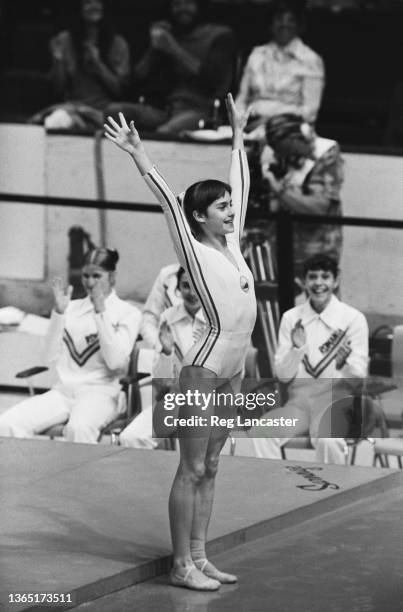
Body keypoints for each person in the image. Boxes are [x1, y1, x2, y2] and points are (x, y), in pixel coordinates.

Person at [104, 93, 255, 590]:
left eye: (230, 205)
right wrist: (138, 153)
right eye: (221, 206)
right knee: (191, 467)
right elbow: (168, 198)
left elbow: (243, 183)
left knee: (212, 463)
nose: (231, 210)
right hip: (204, 367)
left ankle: (199, 555)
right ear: (198, 218)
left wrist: (237, 134)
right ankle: (178, 565)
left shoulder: (232, 242)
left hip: (234, 367)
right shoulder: (190, 248)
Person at [0, 248, 141, 443]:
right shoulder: (71, 308)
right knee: (7, 423)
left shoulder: (128, 313)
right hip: (62, 392)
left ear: (112, 277)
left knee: (79, 428)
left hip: (101, 394)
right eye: (85, 276)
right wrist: (58, 313)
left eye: (97, 276)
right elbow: (48, 357)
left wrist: (101, 313)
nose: (90, 283)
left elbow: (115, 362)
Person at [249, 254, 369, 464]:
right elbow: (283, 376)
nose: (319, 283)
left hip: (336, 404)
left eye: (325, 277)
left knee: (328, 440)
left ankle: (332, 493)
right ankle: (277, 492)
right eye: (312, 277)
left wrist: (345, 364)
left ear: (335, 281)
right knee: (261, 432)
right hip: (299, 406)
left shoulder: (353, 319)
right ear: (304, 282)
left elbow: (359, 374)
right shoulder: (291, 318)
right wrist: (297, 349)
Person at [107, 0, 235, 135]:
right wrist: (154, 47)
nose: (182, 8)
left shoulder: (220, 35)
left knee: (164, 134)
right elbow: (137, 79)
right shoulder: (170, 33)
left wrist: (173, 48)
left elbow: (211, 79)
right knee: (113, 112)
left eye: (188, 3)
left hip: (200, 109)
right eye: (176, 4)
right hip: (164, 109)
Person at [120, 267, 206, 449]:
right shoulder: (168, 318)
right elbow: (161, 379)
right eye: (185, 286)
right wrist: (166, 352)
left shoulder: (219, 321)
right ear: (178, 289)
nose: (191, 293)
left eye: (197, 286)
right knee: (130, 437)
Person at [262, 113, 344, 282]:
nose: (286, 156)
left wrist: (279, 190)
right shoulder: (274, 152)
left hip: (318, 242)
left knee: (321, 294)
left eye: (288, 150)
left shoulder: (326, 154)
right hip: (283, 238)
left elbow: (319, 207)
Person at [32, 0, 130, 130]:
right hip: (72, 108)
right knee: (55, 121)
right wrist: (59, 61)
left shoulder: (118, 43)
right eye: (87, 2)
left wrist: (98, 65)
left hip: (104, 113)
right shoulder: (65, 40)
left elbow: (120, 91)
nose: (93, 6)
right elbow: (58, 90)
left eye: (97, 2)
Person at [236, 0, 324, 137]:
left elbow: (309, 112)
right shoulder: (256, 54)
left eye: (291, 20)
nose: (284, 24)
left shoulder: (311, 60)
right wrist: (239, 124)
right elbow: (241, 100)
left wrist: (271, 121)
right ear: (270, 25)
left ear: (299, 25)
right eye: (279, 19)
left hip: (290, 132)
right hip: (249, 128)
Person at [140, 263, 182, 349]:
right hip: (170, 356)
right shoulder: (167, 276)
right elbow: (149, 319)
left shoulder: (215, 275)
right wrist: (161, 347)